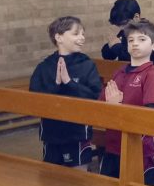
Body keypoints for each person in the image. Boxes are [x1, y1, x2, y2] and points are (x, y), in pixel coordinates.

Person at [29, 16, 102, 168]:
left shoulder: (87, 65)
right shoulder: (45, 67)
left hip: (77, 134)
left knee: (77, 182)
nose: (82, 38)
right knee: (51, 180)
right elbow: (34, 101)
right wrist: (56, 84)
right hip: (51, 134)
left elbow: (95, 96)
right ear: (59, 37)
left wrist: (69, 83)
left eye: (83, 34)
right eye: (76, 34)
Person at [99, 19, 154, 186]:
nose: (135, 44)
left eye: (142, 40)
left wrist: (117, 107)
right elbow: (101, 104)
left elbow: (150, 114)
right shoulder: (119, 72)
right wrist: (109, 105)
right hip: (113, 144)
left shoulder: (151, 75)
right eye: (131, 40)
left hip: (138, 147)